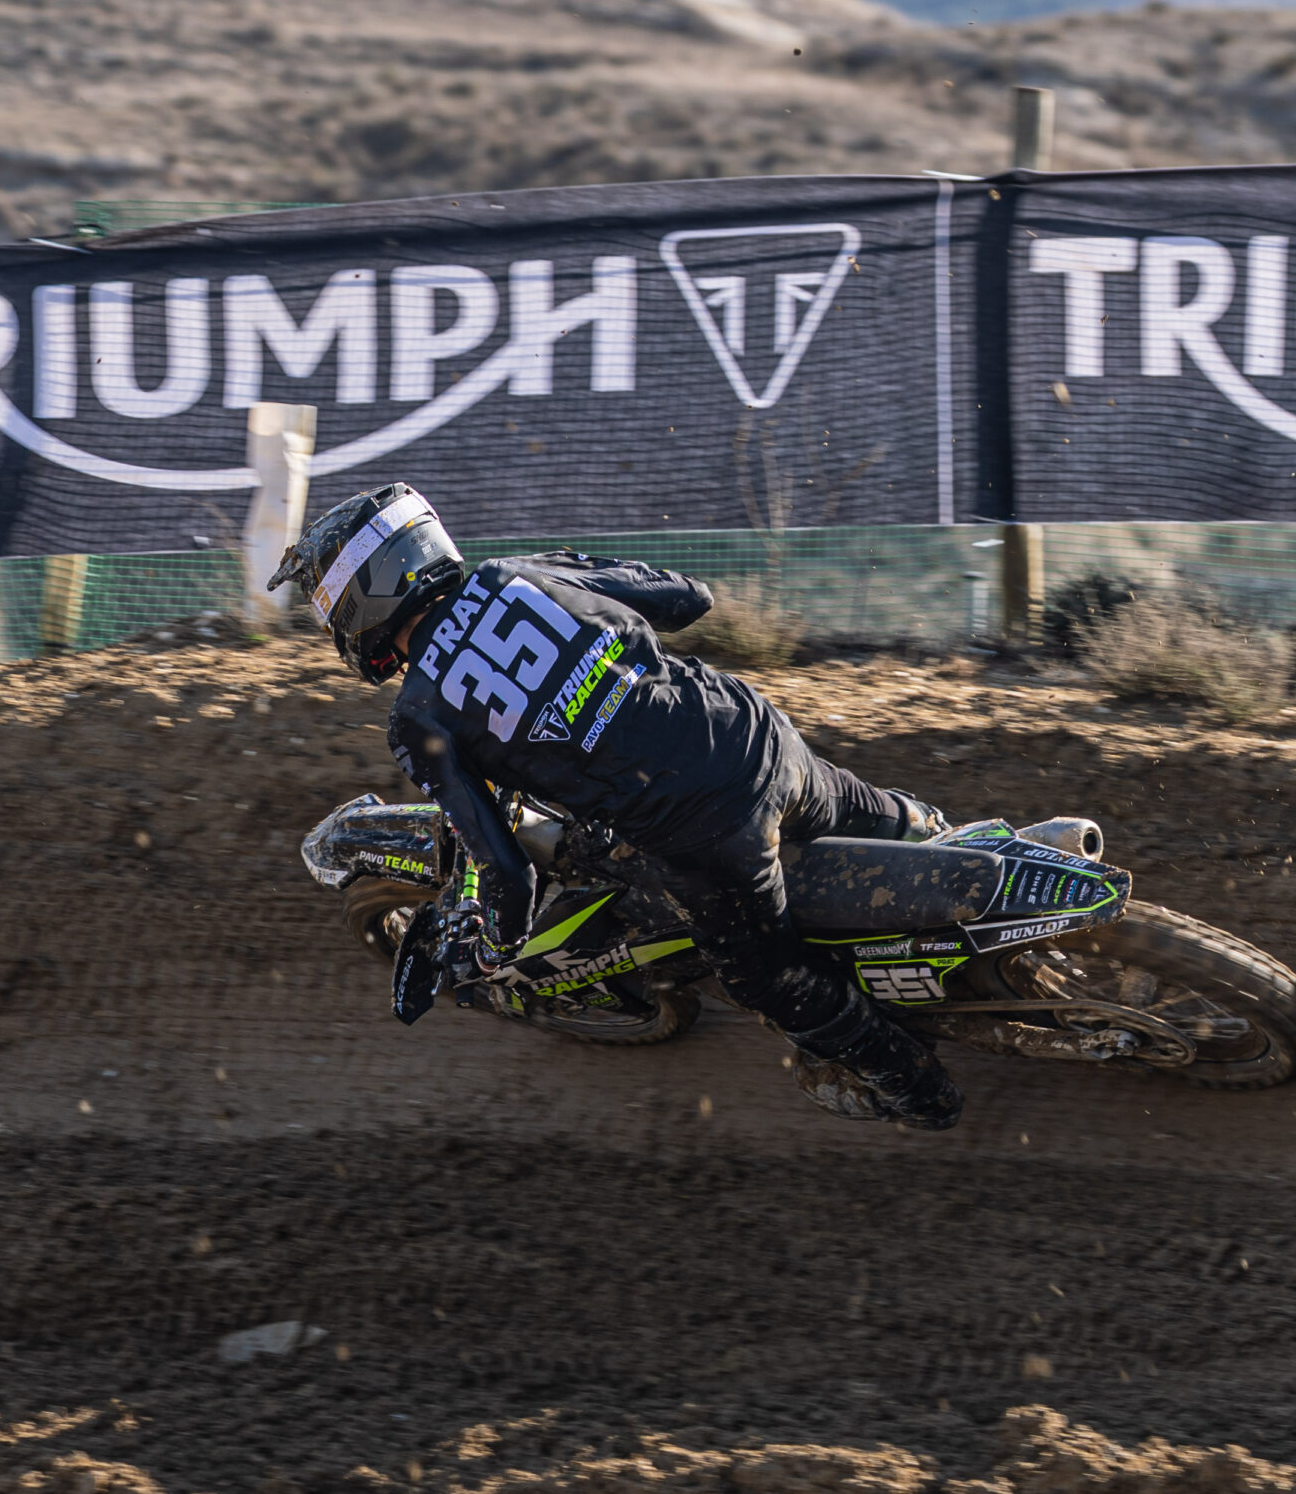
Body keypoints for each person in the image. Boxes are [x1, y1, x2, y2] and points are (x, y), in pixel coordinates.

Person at [267, 481, 965, 1129]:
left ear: (362, 600)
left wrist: (492, 950)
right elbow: (690, 599)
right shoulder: (518, 573)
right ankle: (958, 843)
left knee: (767, 975)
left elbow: (507, 873)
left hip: (709, 828)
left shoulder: (418, 716)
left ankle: (916, 1091)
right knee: (886, 818)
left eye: (328, 606)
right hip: (756, 734)